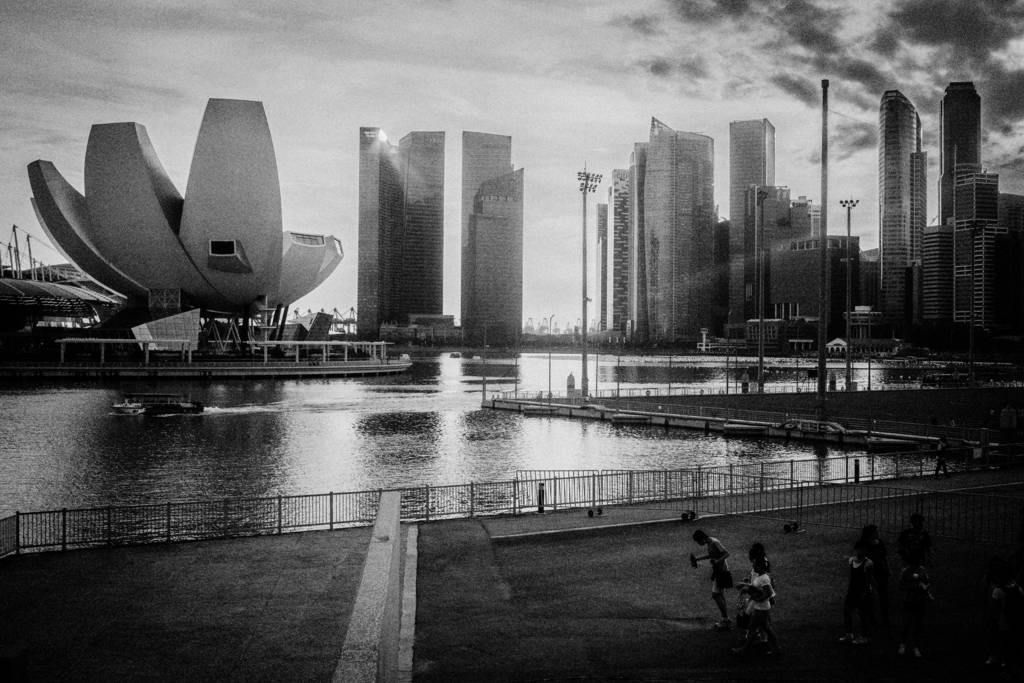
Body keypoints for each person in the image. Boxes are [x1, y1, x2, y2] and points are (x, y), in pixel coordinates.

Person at [731, 556, 782, 656]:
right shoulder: (760, 576)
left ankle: (744, 650)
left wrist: (758, 599)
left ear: (759, 566)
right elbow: (757, 589)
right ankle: (777, 649)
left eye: (754, 564)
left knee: (757, 629)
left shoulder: (764, 578)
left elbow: (768, 593)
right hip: (760, 608)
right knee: (762, 628)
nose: (753, 566)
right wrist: (746, 585)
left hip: (762, 609)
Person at [691, 529, 734, 630]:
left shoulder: (715, 542)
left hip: (722, 571)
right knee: (720, 595)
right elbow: (711, 555)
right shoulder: (709, 543)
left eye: (698, 541)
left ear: (702, 538)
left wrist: (717, 561)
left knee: (716, 595)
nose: (698, 544)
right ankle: (726, 619)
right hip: (718, 571)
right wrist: (697, 559)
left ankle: (725, 620)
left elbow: (727, 553)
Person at [839, 541, 876, 645]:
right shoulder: (851, 561)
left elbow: (869, 580)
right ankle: (849, 634)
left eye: (863, 549)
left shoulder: (868, 563)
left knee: (862, 614)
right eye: (859, 549)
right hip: (852, 590)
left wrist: (866, 592)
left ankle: (864, 637)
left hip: (861, 591)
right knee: (847, 611)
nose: (860, 551)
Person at [897, 551, 932, 658]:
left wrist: (925, 587)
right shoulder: (905, 571)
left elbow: (927, 582)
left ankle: (915, 647)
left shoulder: (922, 570)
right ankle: (903, 644)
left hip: (919, 602)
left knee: (917, 625)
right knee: (906, 624)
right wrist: (914, 586)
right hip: (908, 601)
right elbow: (901, 586)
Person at [860, 525, 891, 626]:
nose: (878, 533)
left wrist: (888, 568)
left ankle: (885, 618)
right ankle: (872, 618)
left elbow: (884, 557)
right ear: (871, 534)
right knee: (870, 597)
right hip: (870, 573)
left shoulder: (880, 542)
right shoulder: (864, 545)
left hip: (881, 572)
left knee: (884, 596)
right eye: (876, 532)